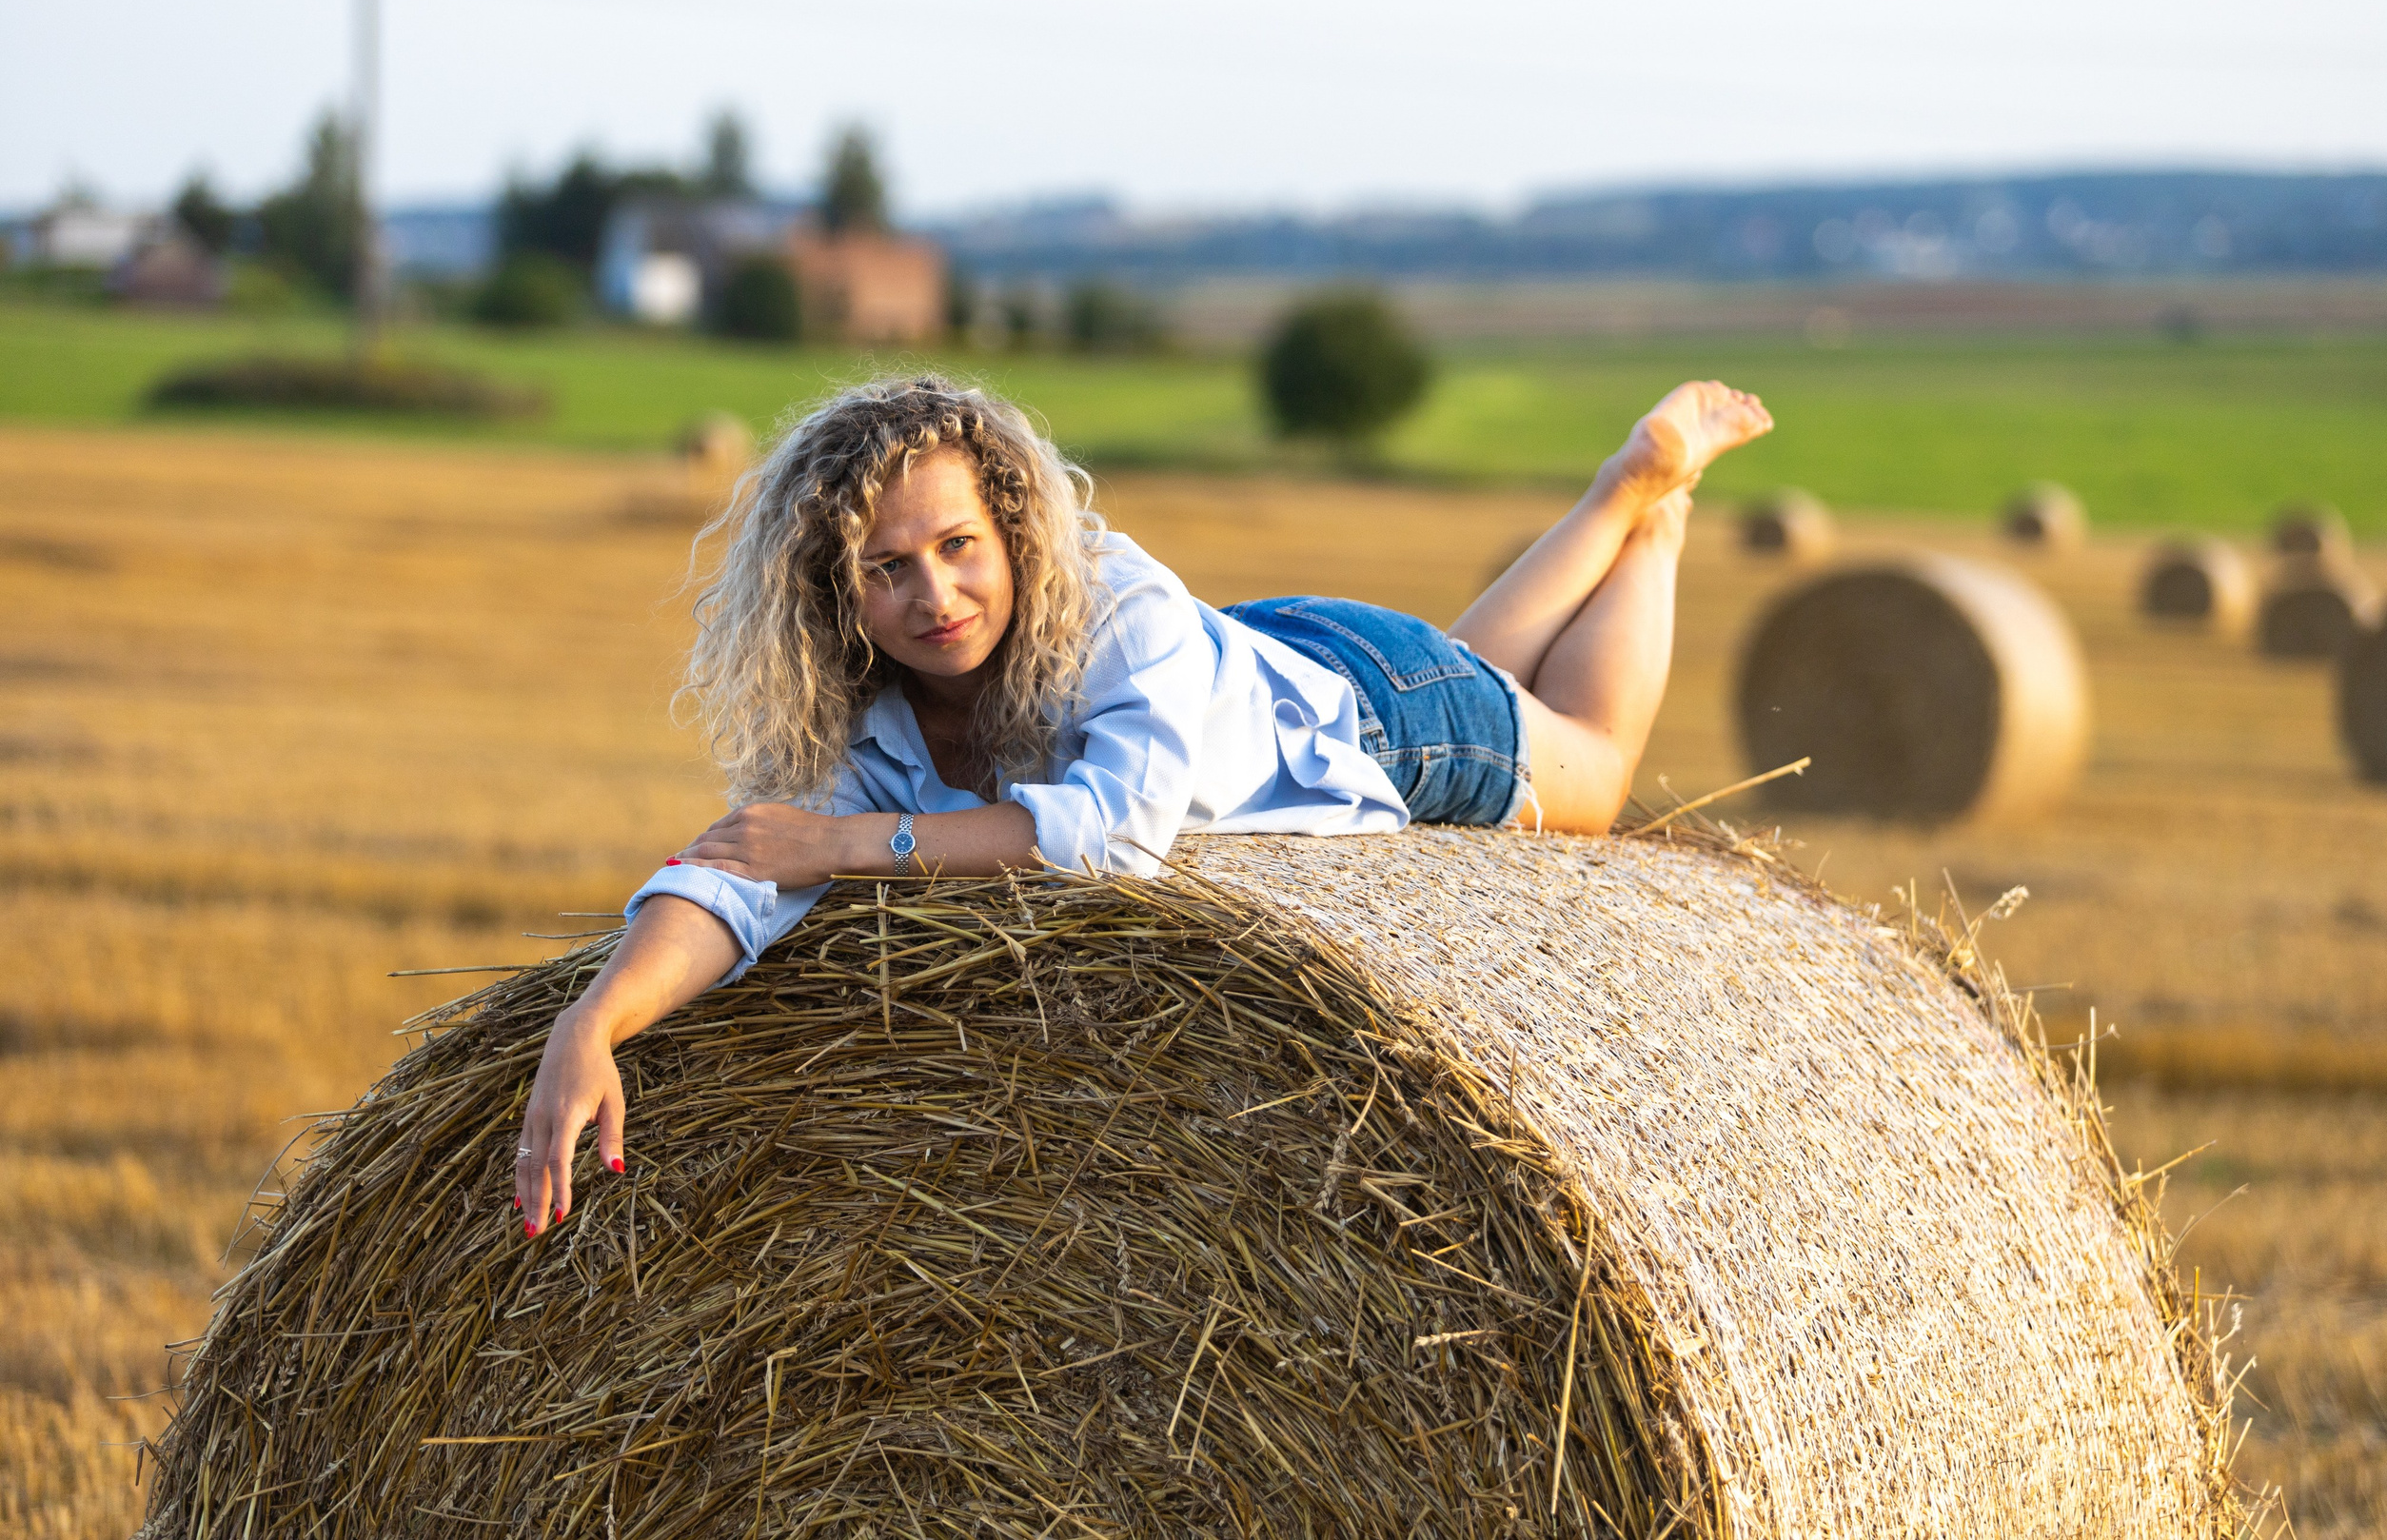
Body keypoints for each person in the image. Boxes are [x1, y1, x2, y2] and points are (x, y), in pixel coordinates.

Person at [513, 374, 1770, 1234]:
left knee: (1591, 774)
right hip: (1268, 670)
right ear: (840, 597)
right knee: (1491, 673)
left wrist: (847, 844)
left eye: (957, 548)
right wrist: (595, 1023)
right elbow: (738, 874)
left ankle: (1652, 511)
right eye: (885, 571)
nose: (932, 595)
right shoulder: (874, 716)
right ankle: (1616, 499)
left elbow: (1110, 837)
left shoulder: (1117, 605)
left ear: (1013, 524)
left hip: (1373, 718)